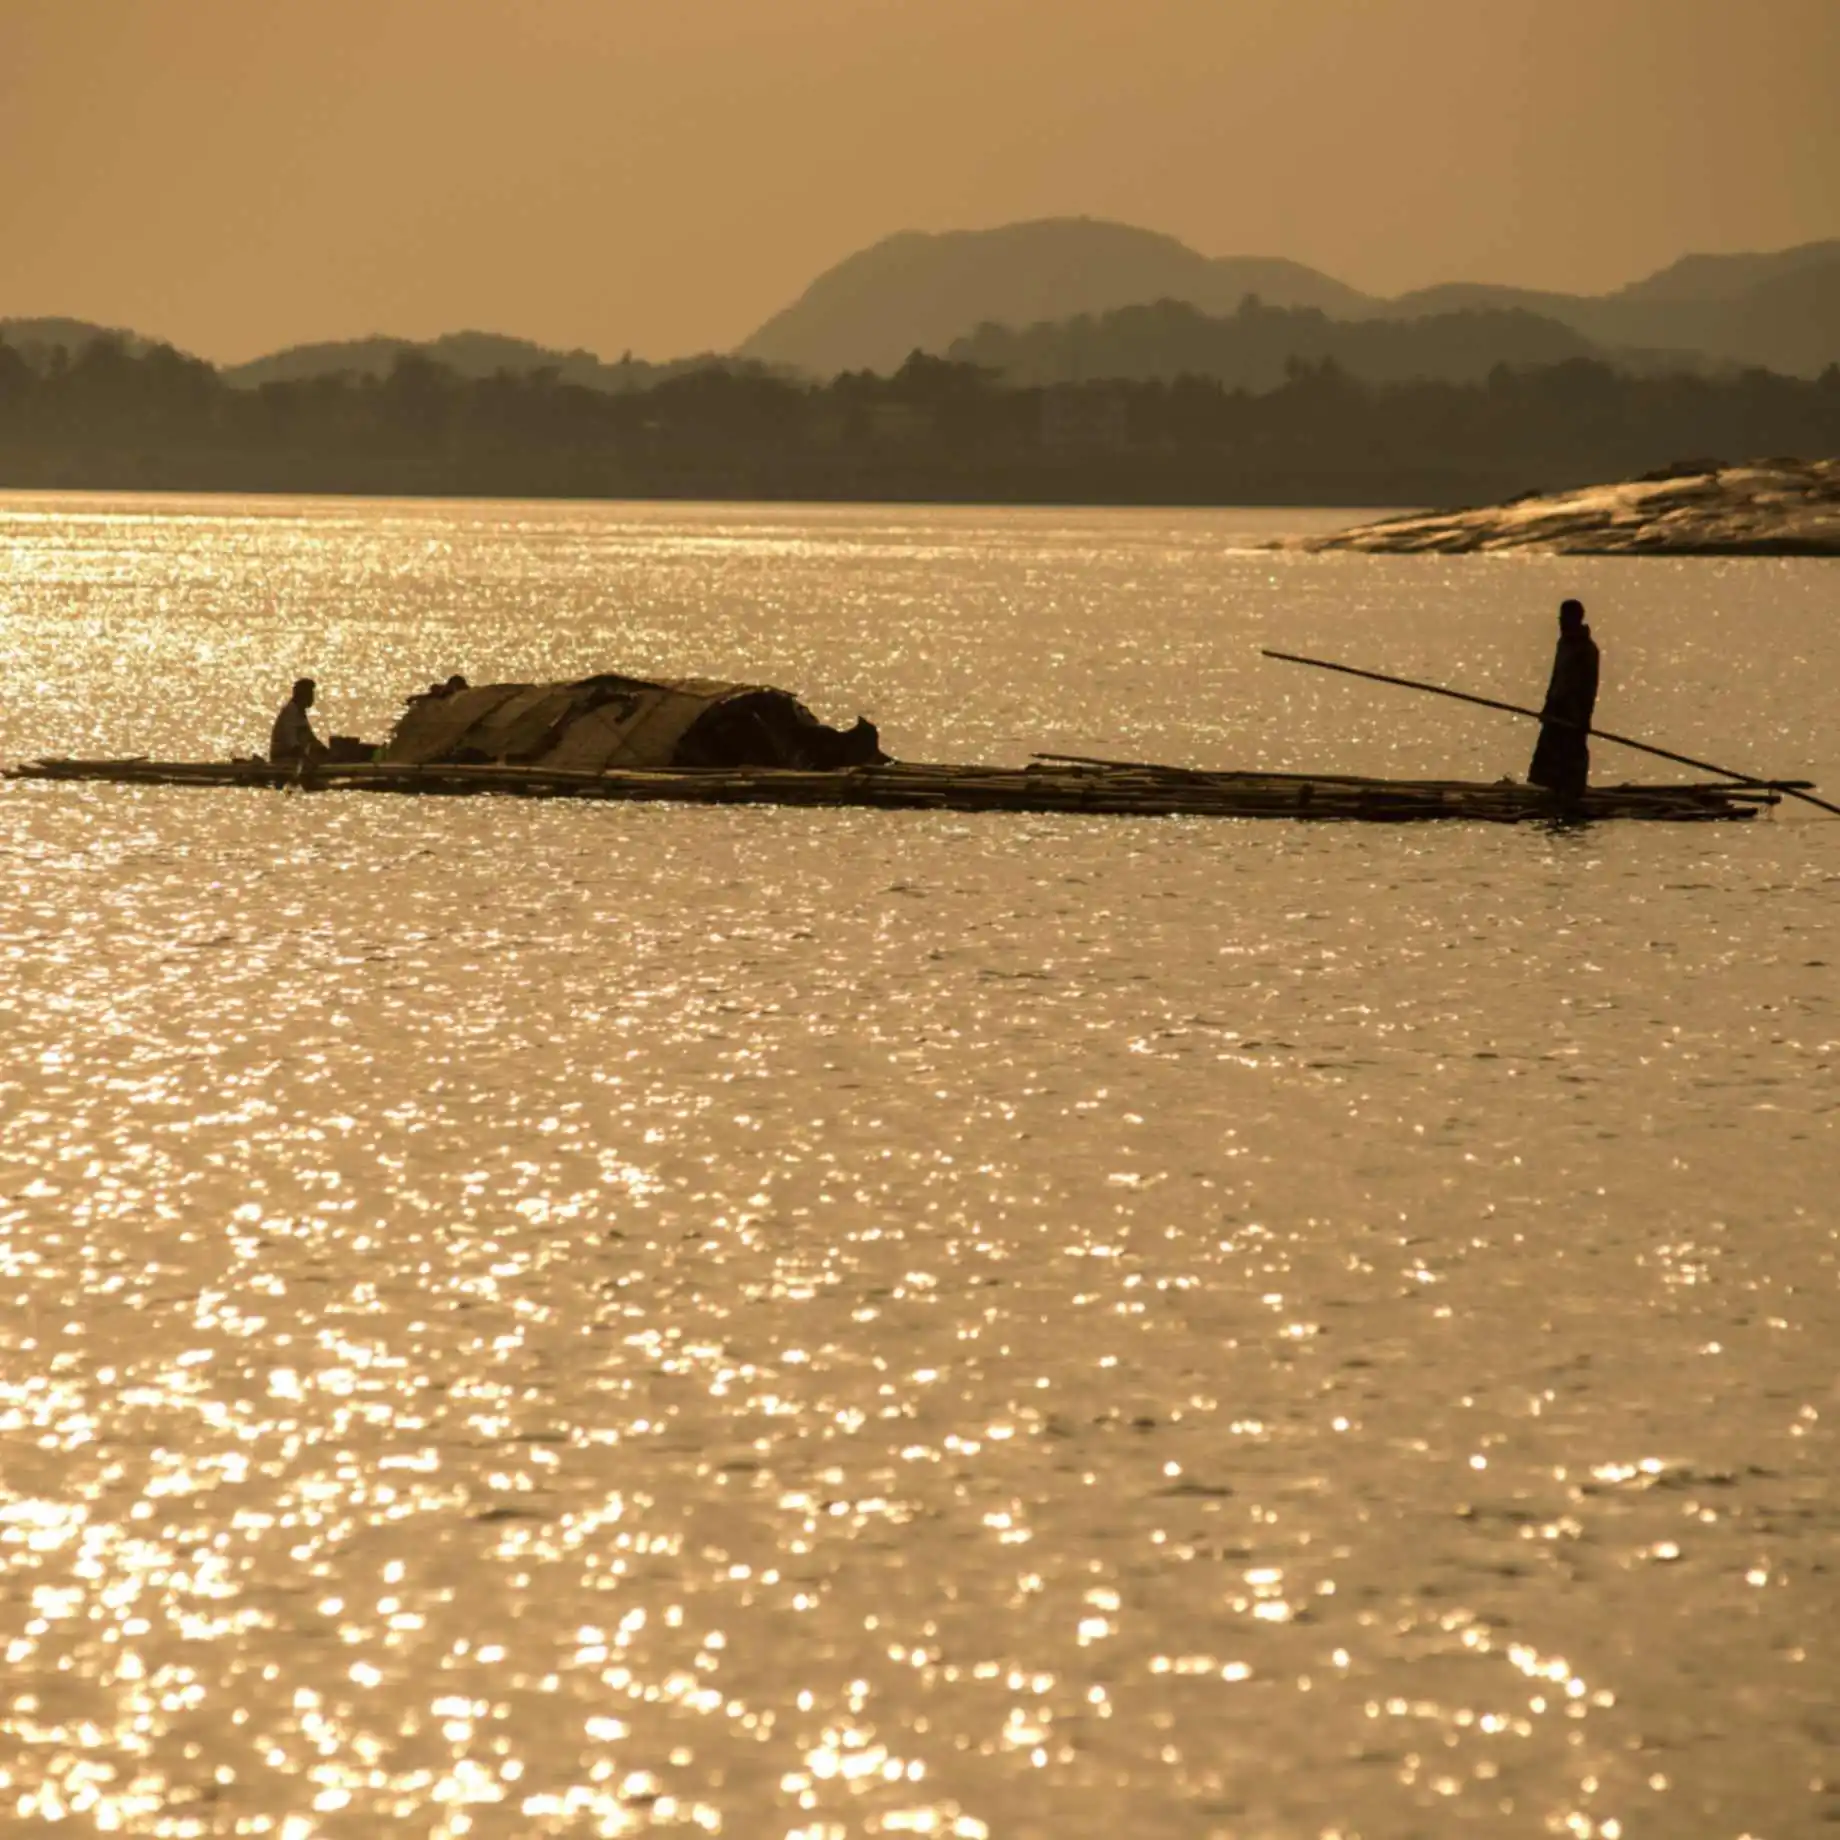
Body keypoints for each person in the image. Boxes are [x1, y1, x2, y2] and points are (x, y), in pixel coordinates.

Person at [1527, 599, 1600, 798]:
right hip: (1556, 710)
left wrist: (1582, 717)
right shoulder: (1564, 644)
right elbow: (1556, 678)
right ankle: (1549, 793)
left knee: (1571, 756)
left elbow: (1587, 687)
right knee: (1547, 761)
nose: (1560, 623)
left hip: (1573, 713)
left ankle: (1572, 794)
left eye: (1564, 618)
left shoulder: (1586, 649)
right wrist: (1547, 707)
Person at [269, 677, 329, 766]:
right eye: (310, 694)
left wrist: (324, 750)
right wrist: (307, 758)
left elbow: (310, 738)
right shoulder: (290, 713)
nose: (312, 697)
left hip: (295, 758)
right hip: (284, 759)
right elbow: (292, 745)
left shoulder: (300, 712)